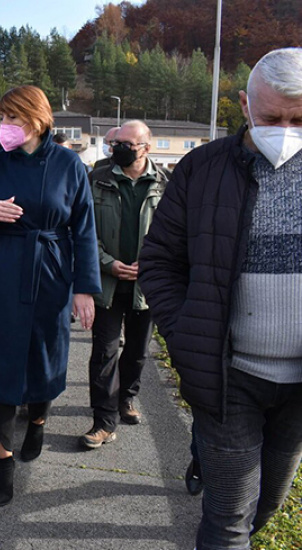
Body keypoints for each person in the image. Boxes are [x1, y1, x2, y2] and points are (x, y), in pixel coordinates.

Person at [138, 47, 302, 549]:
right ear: (245, 106)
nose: (286, 130)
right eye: (272, 118)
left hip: (298, 387)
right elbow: (159, 261)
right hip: (229, 376)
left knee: (268, 503)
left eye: (299, 120)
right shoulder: (202, 169)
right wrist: (185, 334)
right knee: (228, 519)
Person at [0, 85, 100, 506]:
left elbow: (84, 230)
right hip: (4, 271)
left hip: (52, 270)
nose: (4, 125)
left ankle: (38, 420)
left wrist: (84, 288)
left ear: (38, 120)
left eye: (13, 118)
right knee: (1, 360)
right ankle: (3, 458)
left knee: (45, 353)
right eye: (2, 117)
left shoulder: (68, 164)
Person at [79, 120, 169, 449]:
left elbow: (174, 234)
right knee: (104, 352)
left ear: (146, 147)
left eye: (127, 144)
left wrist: (150, 264)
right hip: (107, 282)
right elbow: (84, 230)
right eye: (117, 143)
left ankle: (126, 397)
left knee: (137, 352)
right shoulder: (97, 179)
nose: (119, 148)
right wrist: (108, 263)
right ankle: (103, 421)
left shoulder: (166, 184)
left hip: (147, 285)